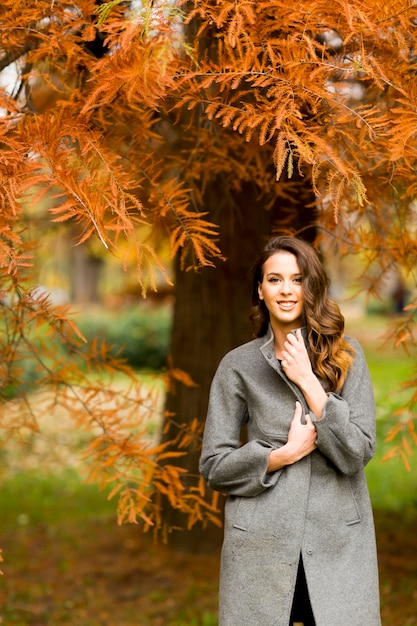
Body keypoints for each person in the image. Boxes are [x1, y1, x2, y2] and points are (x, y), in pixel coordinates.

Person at [199, 236, 381, 626]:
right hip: (261, 542)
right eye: (274, 279)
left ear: (310, 287)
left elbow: (357, 453)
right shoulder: (237, 366)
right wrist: (280, 455)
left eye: (297, 280)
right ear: (260, 291)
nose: (285, 290)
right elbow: (214, 465)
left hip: (337, 540)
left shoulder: (348, 355)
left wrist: (311, 386)